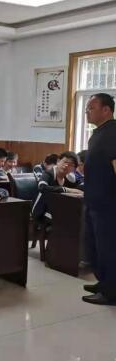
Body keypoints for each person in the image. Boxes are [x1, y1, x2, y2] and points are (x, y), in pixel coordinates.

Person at [82, 93, 116, 305]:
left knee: (108, 248)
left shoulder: (112, 133)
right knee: (94, 247)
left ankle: (111, 292)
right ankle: (104, 282)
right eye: (86, 107)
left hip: (108, 204)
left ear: (106, 110)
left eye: (91, 107)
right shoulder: (98, 133)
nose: (87, 111)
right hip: (94, 200)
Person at [31, 151, 83, 220]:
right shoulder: (48, 173)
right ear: (58, 161)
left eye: (71, 165)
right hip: (41, 212)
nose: (66, 165)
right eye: (65, 162)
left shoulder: (70, 177)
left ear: (74, 169)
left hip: (57, 210)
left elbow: (82, 186)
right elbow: (42, 187)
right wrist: (67, 189)